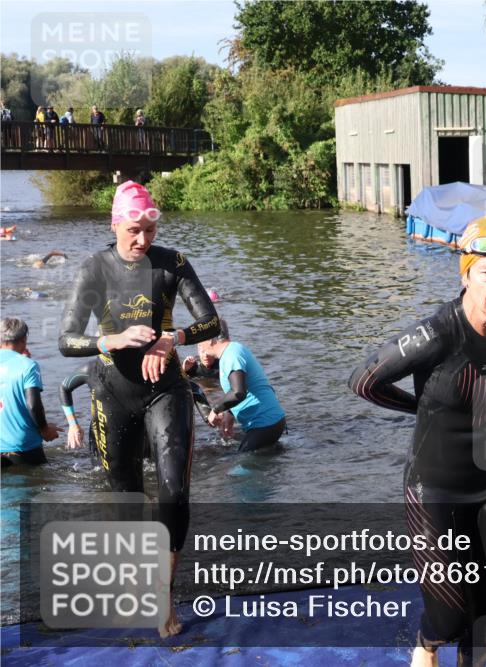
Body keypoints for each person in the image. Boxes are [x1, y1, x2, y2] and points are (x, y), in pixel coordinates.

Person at [349, 215, 486, 667]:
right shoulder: (437, 334)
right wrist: (419, 406)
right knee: (447, 613)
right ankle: (427, 646)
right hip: (434, 485)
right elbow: (363, 380)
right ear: (466, 276)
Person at [58, 180, 219, 637]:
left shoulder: (173, 263)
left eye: (150, 229)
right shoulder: (95, 268)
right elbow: (66, 339)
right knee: (124, 495)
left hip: (167, 387)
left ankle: (164, 595)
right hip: (112, 390)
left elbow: (211, 319)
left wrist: (174, 338)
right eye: (134, 230)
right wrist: (107, 339)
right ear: (115, 225)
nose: (143, 239)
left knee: (174, 491)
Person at [61, 360, 214, 457]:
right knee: (101, 477)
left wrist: (208, 413)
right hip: (102, 430)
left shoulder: (146, 367)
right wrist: (73, 425)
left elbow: (189, 386)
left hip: (141, 427)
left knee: (148, 468)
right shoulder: (92, 369)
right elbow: (64, 388)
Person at [197, 323, 286, 452]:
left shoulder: (232, 355)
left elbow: (238, 392)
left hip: (265, 424)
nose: (199, 346)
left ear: (210, 339)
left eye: (200, 341)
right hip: (270, 423)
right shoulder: (231, 351)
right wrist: (229, 413)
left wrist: (215, 409)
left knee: (239, 469)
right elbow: (245, 388)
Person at [1, 318, 61, 468]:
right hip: (23, 446)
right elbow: (33, 405)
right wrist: (45, 429)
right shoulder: (28, 366)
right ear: (24, 339)